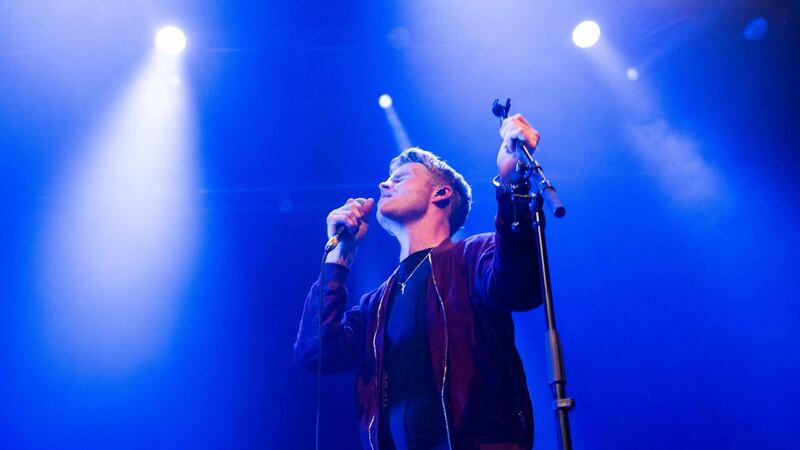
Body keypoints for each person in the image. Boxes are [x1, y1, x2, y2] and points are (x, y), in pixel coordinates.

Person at [294, 114, 544, 450]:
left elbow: (518, 287)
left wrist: (513, 184)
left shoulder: (471, 256)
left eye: (399, 178)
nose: (384, 185)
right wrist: (339, 255)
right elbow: (316, 352)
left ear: (441, 193)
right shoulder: (376, 304)